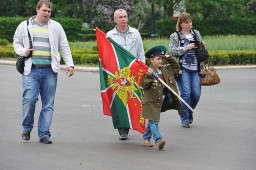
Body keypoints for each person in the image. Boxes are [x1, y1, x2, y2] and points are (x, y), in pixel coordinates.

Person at [13, 0, 74, 144]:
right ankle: (27, 128)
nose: (46, 13)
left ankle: (44, 134)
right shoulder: (24, 25)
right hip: (31, 70)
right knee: (30, 99)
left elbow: (64, 46)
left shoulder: (56, 26)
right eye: (44, 10)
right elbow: (16, 42)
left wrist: (70, 65)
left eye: (49, 11)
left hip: (50, 71)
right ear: (37, 10)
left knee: (48, 103)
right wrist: (23, 51)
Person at [107, 9, 145, 140]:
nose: (123, 19)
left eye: (125, 16)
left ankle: (135, 123)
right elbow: (107, 56)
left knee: (134, 99)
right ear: (115, 20)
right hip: (118, 74)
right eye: (120, 17)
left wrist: (143, 69)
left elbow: (141, 52)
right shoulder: (110, 35)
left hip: (134, 72)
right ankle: (123, 129)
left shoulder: (135, 33)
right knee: (121, 101)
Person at [142, 45, 183, 150]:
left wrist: (170, 58)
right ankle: (158, 140)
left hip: (161, 100)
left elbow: (176, 68)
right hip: (150, 101)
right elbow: (144, 85)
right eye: (158, 59)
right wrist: (148, 75)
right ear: (152, 60)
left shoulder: (166, 69)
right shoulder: (148, 71)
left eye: (162, 59)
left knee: (152, 120)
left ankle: (146, 137)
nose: (161, 61)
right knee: (154, 121)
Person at [168, 12, 205, 128]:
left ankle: (189, 111)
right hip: (182, 68)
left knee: (196, 94)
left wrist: (201, 45)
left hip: (196, 68)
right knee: (185, 93)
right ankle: (184, 118)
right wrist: (185, 48)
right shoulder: (175, 36)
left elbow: (203, 49)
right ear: (181, 24)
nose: (189, 24)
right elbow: (171, 51)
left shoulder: (196, 33)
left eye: (190, 22)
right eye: (186, 22)